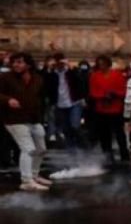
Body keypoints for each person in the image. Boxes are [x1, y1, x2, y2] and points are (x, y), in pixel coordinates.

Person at [0, 53, 52, 191]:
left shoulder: (37, 78)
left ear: (28, 64)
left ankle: (34, 176)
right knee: (28, 149)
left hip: (33, 118)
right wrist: (8, 100)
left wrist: (40, 115)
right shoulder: (5, 77)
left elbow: (40, 98)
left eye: (19, 62)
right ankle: (26, 181)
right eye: (14, 62)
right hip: (13, 119)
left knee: (41, 149)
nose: (16, 65)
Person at [88, 55, 129, 166]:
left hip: (116, 108)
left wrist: (114, 94)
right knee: (104, 134)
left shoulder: (117, 74)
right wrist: (102, 96)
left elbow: (123, 90)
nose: (102, 66)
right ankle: (107, 155)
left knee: (119, 133)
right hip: (101, 108)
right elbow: (92, 92)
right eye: (99, 64)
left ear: (108, 64)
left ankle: (124, 154)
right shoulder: (94, 76)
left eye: (103, 64)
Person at [43, 53, 87, 152]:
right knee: (66, 129)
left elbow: (81, 80)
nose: (59, 65)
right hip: (60, 104)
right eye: (57, 63)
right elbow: (45, 84)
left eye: (61, 62)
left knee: (75, 126)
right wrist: (49, 68)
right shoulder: (52, 74)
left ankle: (84, 145)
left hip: (74, 103)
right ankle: (72, 151)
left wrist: (70, 67)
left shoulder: (71, 72)